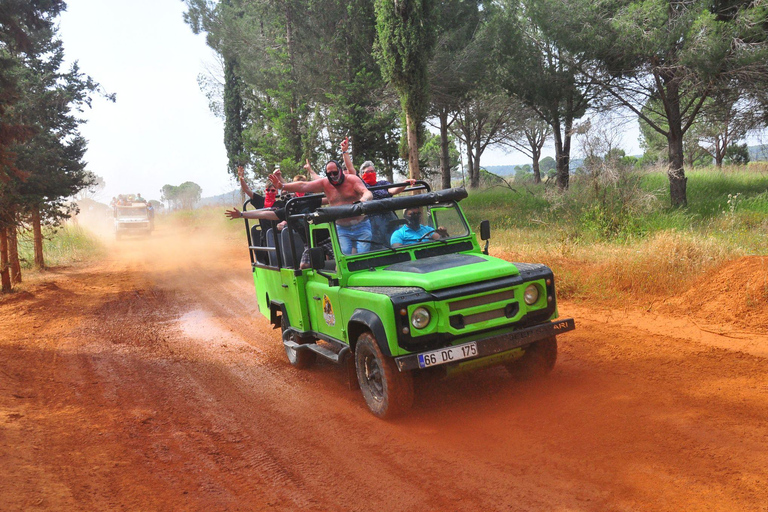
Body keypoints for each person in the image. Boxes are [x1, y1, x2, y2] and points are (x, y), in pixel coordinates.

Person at [268, 138, 373, 255]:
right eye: (329, 174)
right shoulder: (325, 183)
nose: (332, 176)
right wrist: (282, 186)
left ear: (340, 171)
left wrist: (363, 200)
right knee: (345, 255)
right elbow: (303, 186)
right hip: (341, 228)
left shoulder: (352, 179)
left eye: (335, 173)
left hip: (361, 225)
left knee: (363, 254)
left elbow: (367, 193)